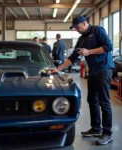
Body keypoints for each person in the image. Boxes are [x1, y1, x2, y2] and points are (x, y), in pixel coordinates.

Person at [49, 16, 115, 145]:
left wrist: (90, 52)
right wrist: (59, 69)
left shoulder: (97, 30)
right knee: (92, 100)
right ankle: (96, 128)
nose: (76, 30)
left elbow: (109, 46)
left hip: (104, 69)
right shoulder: (82, 39)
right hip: (93, 71)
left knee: (104, 102)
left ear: (84, 23)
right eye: (74, 28)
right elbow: (72, 57)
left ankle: (107, 133)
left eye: (77, 27)